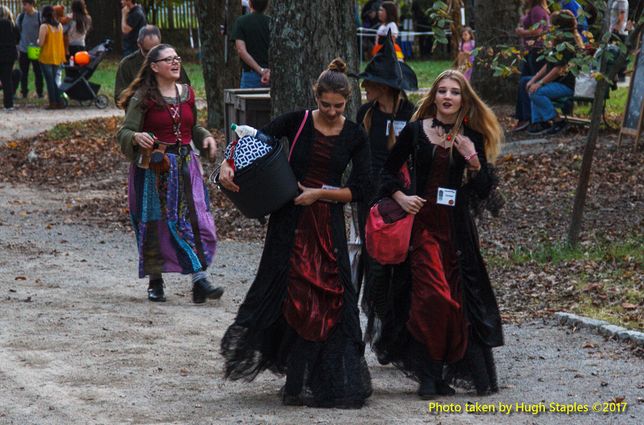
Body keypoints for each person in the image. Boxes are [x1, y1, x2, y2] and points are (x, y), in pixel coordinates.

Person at [219, 58, 373, 408]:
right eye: (325, 104)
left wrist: (320, 194)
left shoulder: (354, 134)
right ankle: (295, 378)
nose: (332, 111)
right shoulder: (297, 121)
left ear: (347, 100)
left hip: (327, 223)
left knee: (332, 295)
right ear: (315, 97)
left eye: (339, 105)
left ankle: (331, 378)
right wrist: (229, 162)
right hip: (289, 223)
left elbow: (364, 188)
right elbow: (250, 140)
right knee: (289, 291)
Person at [368, 69, 504, 399]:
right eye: (441, 90)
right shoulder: (415, 131)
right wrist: (402, 197)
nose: (447, 96)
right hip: (422, 228)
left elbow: (485, 189)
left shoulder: (471, 135)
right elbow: (386, 173)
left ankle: (437, 372)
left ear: (464, 99)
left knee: (457, 303)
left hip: (456, 231)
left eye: (454, 92)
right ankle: (427, 374)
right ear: (434, 97)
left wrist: (473, 159)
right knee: (432, 297)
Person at [116, 44, 222, 304]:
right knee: (155, 225)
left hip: (186, 167)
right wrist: (136, 136)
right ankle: (158, 280)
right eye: (168, 59)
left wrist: (206, 137)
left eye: (177, 58)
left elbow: (192, 126)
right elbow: (123, 132)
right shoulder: (143, 97)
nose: (176, 63)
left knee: (196, 223)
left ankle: (198, 280)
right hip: (154, 170)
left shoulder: (187, 94)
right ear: (154, 67)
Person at [356, 33, 417, 348]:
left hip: (402, 195)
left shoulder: (411, 114)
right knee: (375, 264)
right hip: (371, 197)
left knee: (402, 263)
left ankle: (400, 328)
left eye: (370, 82)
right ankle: (380, 320)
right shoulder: (365, 114)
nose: (365, 87)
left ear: (383, 86)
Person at [519, 10, 585, 135]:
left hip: (567, 85)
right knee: (530, 86)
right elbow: (549, 65)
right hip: (558, 83)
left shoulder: (566, 44)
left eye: (552, 25)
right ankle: (539, 122)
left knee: (536, 92)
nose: (549, 27)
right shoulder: (558, 42)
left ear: (559, 27)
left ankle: (558, 121)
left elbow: (558, 69)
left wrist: (540, 84)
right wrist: (534, 80)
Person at [114, 25, 190, 103]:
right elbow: (119, 98)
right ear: (139, 44)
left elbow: (186, 92)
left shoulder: (171, 62)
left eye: (155, 50)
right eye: (147, 51)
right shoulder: (127, 64)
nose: (152, 55)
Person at [513, 0, 550, 131]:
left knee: (529, 82)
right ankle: (523, 116)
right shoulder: (531, 10)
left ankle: (530, 117)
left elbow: (538, 31)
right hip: (530, 51)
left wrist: (522, 32)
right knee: (524, 82)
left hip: (537, 51)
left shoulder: (537, 10)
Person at [231, 0, 270, 88]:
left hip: (250, 75)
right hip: (270, 76)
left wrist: (261, 70)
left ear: (250, 3)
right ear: (266, 5)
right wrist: (268, 72)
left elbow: (241, 50)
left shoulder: (241, 22)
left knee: (249, 101)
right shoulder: (272, 22)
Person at [38, 5, 66, 110]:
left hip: (46, 56)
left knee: (49, 81)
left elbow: (40, 43)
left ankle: (52, 102)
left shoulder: (44, 26)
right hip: (57, 56)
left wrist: (36, 41)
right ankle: (59, 101)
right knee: (55, 80)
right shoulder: (59, 26)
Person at [16, 0, 44, 99]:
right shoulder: (21, 17)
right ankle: (24, 92)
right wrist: (18, 47)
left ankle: (40, 92)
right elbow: (17, 31)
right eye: (23, 4)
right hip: (24, 48)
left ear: (32, 4)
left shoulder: (39, 16)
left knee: (38, 72)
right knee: (23, 72)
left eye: (25, 4)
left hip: (36, 49)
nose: (24, 7)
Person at [0, 6, 20, 111]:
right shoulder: (12, 25)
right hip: (10, 55)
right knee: (7, 80)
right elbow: (18, 39)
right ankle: (9, 104)